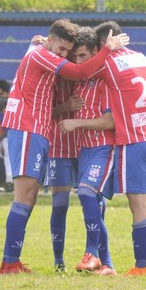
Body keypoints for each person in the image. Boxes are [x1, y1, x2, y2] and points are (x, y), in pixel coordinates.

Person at [0, 18, 128, 275]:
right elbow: (79, 72)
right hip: (27, 128)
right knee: (25, 196)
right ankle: (9, 261)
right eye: (62, 50)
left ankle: (12, 261)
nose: (65, 56)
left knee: (31, 196)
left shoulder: (40, 52)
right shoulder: (41, 55)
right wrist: (107, 49)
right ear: (49, 40)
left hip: (39, 131)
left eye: (70, 52)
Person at [60, 21, 146, 276]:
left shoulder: (107, 63)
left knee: (138, 205)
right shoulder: (141, 57)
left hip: (134, 137)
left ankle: (141, 267)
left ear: (103, 43)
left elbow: (82, 72)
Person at [58, 27, 117, 276]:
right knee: (95, 203)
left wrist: (76, 123)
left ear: (96, 52)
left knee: (85, 192)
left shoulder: (106, 79)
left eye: (83, 56)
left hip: (104, 146)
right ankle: (108, 266)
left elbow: (111, 121)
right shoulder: (82, 80)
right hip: (85, 149)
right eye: (75, 58)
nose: (79, 63)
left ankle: (92, 253)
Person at [46, 76, 83, 273]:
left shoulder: (90, 72)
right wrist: (65, 106)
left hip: (88, 147)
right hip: (59, 148)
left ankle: (98, 257)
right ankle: (58, 259)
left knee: (94, 202)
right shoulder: (52, 76)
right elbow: (44, 112)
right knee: (60, 203)